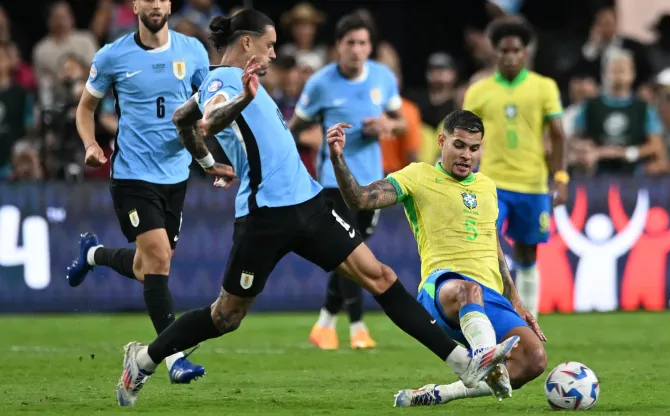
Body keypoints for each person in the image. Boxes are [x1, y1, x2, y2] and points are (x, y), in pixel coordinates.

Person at [114, 9, 518, 407]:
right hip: (264, 215)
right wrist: (240, 101)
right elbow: (211, 120)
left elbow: (186, 121)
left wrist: (206, 161)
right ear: (247, 41)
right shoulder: (223, 79)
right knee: (226, 317)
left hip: (309, 203)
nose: (274, 55)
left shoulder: (246, 81)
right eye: (270, 46)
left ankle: (462, 363)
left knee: (380, 276)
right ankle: (144, 359)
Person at [323, 109, 547, 406]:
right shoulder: (418, 176)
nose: (467, 155)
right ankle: (483, 357)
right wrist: (338, 158)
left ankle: (441, 393)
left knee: (534, 359)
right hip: (442, 289)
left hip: (489, 297)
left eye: (474, 148)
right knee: (469, 289)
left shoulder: (487, 187)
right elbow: (360, 199)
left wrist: (515, 299)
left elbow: (494, 247)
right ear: (442, 141)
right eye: (459, 145)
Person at [65, 0, 211, 383]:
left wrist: (212, 157)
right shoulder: (113, 55)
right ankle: (172, 357)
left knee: (149, 267)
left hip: (176, 177)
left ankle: (93, 254)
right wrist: (91, 144)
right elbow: (85, 109)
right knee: (159, 259)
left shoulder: (193, 51)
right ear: (136, 6)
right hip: (132, 175)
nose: (156, 4)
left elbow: (209, 108)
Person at [288, 12, 407, 351]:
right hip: (334, 182)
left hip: (372, 186)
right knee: (354, 251)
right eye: (350, 43)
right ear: (338, 46)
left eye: (363, 43)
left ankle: (325, 322)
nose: (357, 50)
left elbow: (401, 124)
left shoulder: (382, 78)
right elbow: (295, 126)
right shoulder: (321, 83)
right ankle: (357, 328)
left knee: (352, 252)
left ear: (371, 47)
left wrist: (385, 124)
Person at [463, 20, 568, 320]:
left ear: (526, 53)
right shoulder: (478, 90)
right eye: (503, 50)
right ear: (493, 52)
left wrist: (560, 177)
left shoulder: (543, 87)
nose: (509, 56)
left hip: (532, 183)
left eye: (516, 50)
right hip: (491, 183)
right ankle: (492, 314)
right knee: (486, 248)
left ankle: (529, 317)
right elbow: (464, 136)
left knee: (526, 253)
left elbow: (559, 135)